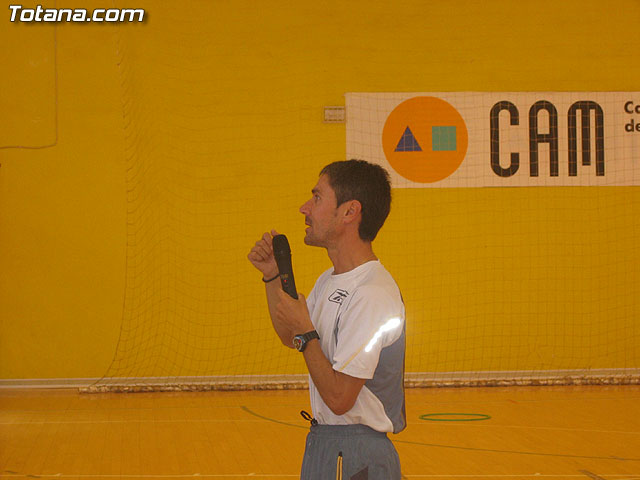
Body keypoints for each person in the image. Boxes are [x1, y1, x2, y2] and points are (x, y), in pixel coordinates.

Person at [247, 159, 406, 480]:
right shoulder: (329, 280)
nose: (305, 208)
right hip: (326, 444)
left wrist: (306, 332)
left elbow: (339, 398)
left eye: (317, 197)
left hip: (357, 454)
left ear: (350, 212)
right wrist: (273, 278)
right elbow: (291, 336)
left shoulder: (371, 294)